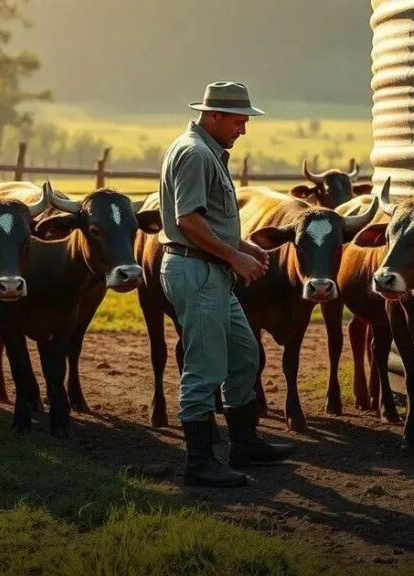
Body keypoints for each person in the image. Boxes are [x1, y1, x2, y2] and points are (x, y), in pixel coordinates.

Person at [158, 81, 294, 487]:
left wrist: (243, 244)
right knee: (205, 368)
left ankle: (244, 442)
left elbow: (209, 218)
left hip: (210, 270)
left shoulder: (206, 150)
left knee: (244, 353)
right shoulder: (195, 154)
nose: (243, 129)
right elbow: (188, 220)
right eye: (238, 121)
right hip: (197, 270)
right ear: (213, 116)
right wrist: (234, 256)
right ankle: (199, 462)